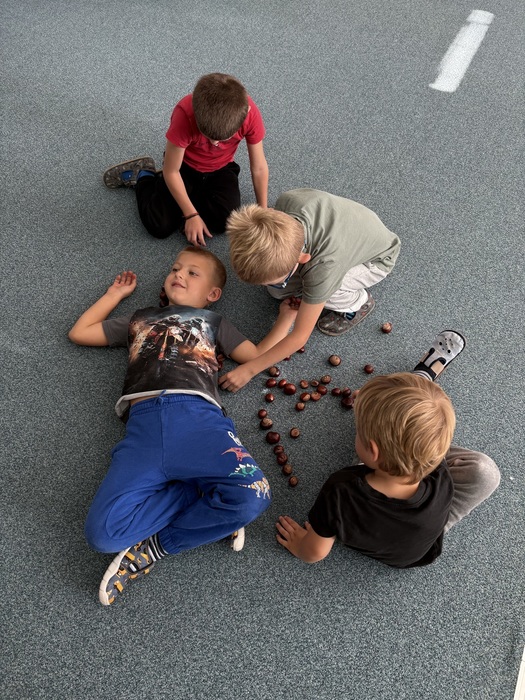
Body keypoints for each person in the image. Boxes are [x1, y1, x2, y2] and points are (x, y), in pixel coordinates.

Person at [69, 247, 299, 605]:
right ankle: (204, 492)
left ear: (213, 294)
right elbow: (80, 333)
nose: (179, 274)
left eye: (193, 273)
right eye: (176, 268)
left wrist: (284, 319)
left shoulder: (213, 321)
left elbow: (257, 357)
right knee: (103, 536)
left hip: (198, 419)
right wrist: (114, 295)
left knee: (254, 495)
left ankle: (154, 548)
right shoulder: (140, 318)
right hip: (143, 429)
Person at [275, 331, 500, 567]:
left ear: (373, 451)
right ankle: (421, 382)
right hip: (417, 551)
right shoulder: (441, 477)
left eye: (359, 429)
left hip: (373, 536)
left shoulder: (341, 490)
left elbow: (314, 553)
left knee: (403, 431)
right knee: (485, 473)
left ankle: (419, 380)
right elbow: (415, 440)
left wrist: (300, 545)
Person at [220, 188, 401, 392]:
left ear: (302, 258)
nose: (265, 286)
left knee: (326, 290)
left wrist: (249, 370)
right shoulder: (286, 203)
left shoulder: (323, 268)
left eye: (277, 280)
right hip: (346, 233)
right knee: (277, 292)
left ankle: (357, 303)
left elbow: (299, 336)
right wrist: (279, 282)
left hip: (377, 259)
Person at [103, 73, 268, 247]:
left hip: (221, 168)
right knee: (159, 226)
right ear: (196, 114)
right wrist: (191, 215)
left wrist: (263, 210)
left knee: (226, 223)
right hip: (184, 167)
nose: (215, 144)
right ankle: (143, 175)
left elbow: (258, 168)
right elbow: (171, 171)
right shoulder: (184, 115)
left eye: (223, 139)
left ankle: (184, 199)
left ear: (246, 113)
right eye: (208, 137)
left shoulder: (251, 114)